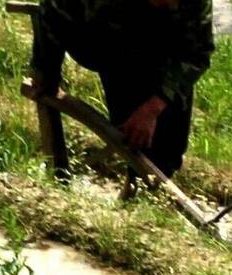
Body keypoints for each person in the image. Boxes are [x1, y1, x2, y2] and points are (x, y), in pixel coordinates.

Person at [29, 0, 214, 179]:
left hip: (164, 44)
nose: (169, 4)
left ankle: (155, 182)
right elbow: (51, 11)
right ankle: (138, 175)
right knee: (134, 136)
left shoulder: (194, 4)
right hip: (105, 38)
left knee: (169, 150)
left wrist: (154, 107)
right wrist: (46, 69)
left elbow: (197, 53)